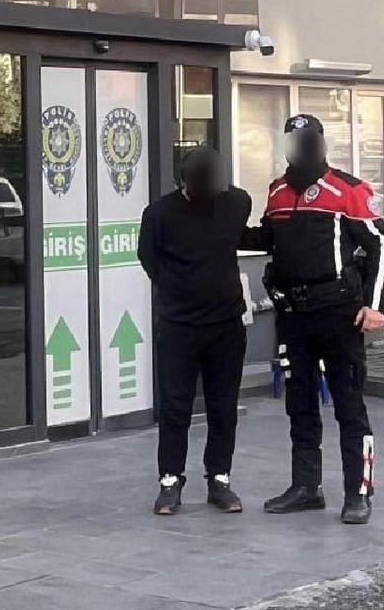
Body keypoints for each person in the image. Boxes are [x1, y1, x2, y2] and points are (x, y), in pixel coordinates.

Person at [242, 114, 384, 525]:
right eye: (292, 142)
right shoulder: (276, 191)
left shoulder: (348, 190)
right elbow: (267, 239)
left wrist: (375, 306)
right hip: (293, 316)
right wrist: (220, 220)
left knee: (348, 404)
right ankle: (306, 487)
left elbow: (381, 247)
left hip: (339, 314)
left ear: (321, 145)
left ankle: (358, 492)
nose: (299, 150)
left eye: (307, 142)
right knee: (300, 403)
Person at [138, 146, 252, 516]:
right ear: (183, 182)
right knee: (175, 406)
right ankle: (170, 482)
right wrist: (178, 289)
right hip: (179, 326)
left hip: (226, 324)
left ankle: (219, 479)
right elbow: (148, 258)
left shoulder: (236, 203)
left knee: (223, 406)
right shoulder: (159, 214)